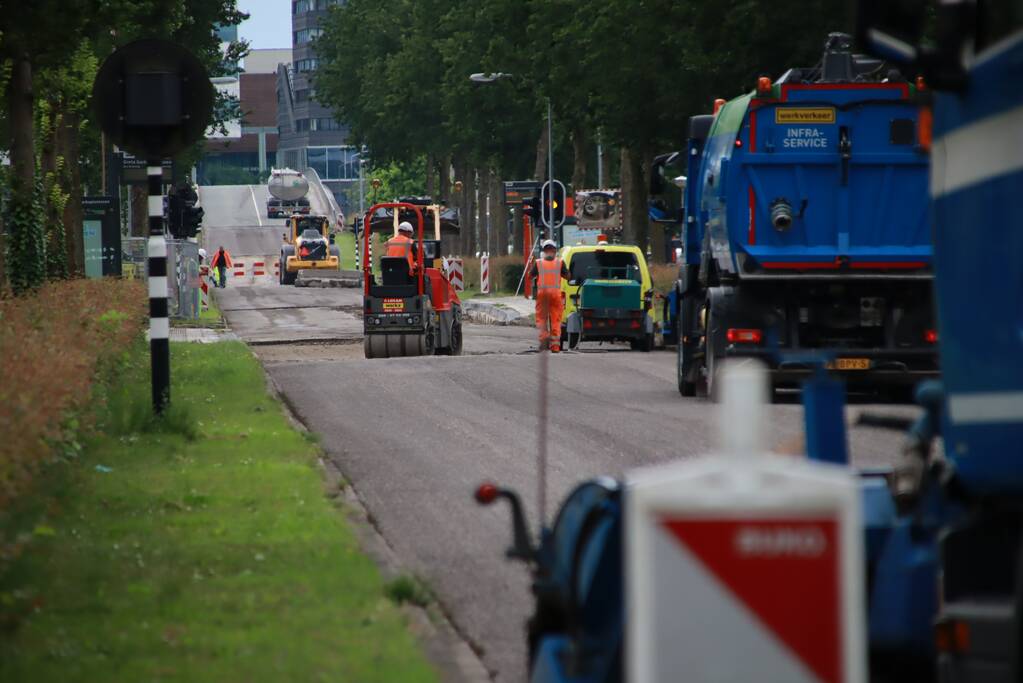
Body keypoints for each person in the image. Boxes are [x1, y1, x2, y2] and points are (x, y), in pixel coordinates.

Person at [529, 239, 570, 352]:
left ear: (544, 251)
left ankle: (544, 342)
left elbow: (530, 276)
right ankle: (555, 346)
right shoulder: (560, 262)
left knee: (542, 319)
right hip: (555, 296)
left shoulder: (538, 263)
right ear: (554, 250)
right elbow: (568, 277)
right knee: (556, 320)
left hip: (542, 295)